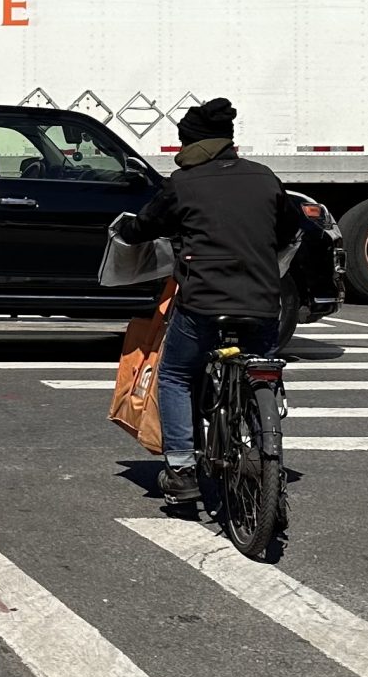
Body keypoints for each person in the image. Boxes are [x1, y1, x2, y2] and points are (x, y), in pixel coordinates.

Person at [117, 98, 304, 503]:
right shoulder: (265, 178)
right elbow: (294, 229)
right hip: (260, 302)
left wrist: (127, 229)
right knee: (260, 365)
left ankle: (181, 469)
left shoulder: (183, 184)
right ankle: (262, 431)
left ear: (193, 144)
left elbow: (145, 228)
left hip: (203, 303)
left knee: (176, 374)